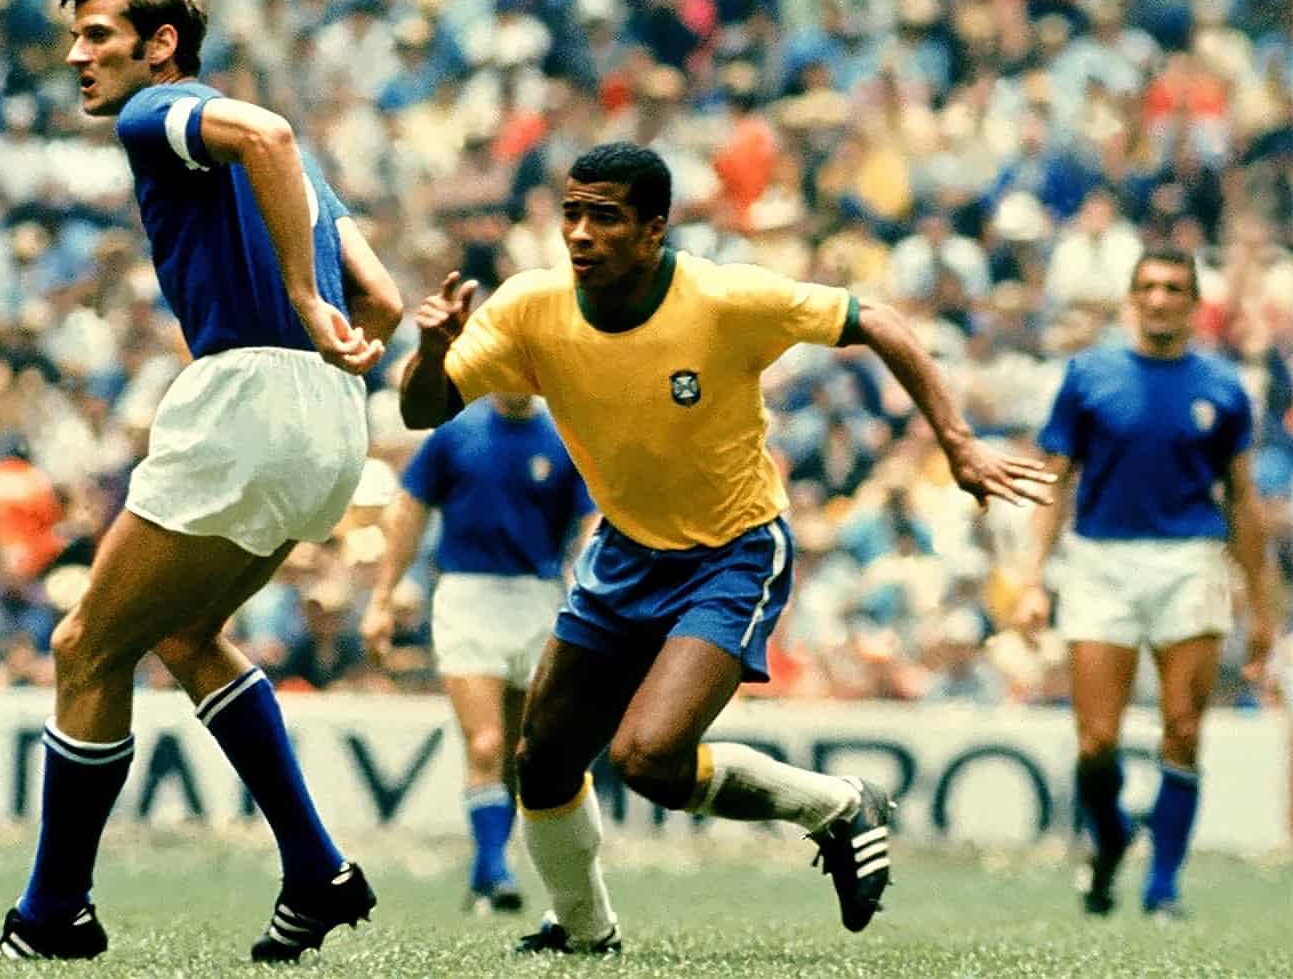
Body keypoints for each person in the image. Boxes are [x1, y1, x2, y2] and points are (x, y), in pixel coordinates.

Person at [399, 142, 1055, 954]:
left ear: (654, 229)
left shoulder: (723, 297)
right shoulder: (531, 306)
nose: (580, 233)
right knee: (542, 762)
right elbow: (423, 410)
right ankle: (587, 931)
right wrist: (433, 351)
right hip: (624, 552)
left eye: (605, 216)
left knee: (648, 758)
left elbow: (876, 320)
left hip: (731, 553)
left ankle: (835, 805)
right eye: (571, 213)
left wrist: (957, 442)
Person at [0, 0, 403, 964]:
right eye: (74, 38)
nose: (77, 56)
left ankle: (52, 914)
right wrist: (325, 320)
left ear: (162, 44)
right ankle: (316, 870)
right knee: (184, 633)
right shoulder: (299, 181)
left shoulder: (158, 111)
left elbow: (267, 131)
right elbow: (383, 300)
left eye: (97, 36)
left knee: (85, 645)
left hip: (246, 394)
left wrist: (297, 300)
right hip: (329, 413)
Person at [1013, 248, 1275, 919]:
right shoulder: (1088, 375)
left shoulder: (1222, 385)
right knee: (1096, 742)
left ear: (1193, 302)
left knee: (1183, 728)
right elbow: (1054, 482)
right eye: (1149, 286)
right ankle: (1111, 836)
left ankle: (1163, 888)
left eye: (1174, 288)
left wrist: (1263, 605)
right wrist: (1031, 579)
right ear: (1132, 298)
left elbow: (1243, 500)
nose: (1160, 298)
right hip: (1100, 558)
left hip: (1190, 558)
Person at [362, 391, 595, 915]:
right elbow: (411, 508)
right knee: (486, 744)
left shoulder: (564, 434)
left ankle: (487, 872)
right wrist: (382, 597)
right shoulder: (455, 434)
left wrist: (584, 569)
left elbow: (591, 516)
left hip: (539, 599)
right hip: (467, 596)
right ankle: (496, 869)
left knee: (523, 752)